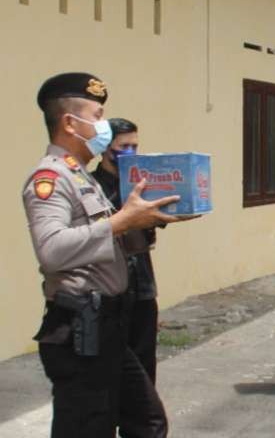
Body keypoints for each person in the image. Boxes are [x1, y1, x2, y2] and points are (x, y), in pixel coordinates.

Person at [22, 72, 195, 438]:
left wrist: (150, 221)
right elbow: (52, 250)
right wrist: (119, 223)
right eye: (97, 115)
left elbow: (107, 242)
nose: (103, 125)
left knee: (146, 420)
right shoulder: (50, 179)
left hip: (111, 324)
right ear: (71, 122)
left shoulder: (81, 176)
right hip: (81, 327)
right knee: (89, 426)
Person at [91, 117, 160, 386]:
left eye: (135, 146)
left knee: (143, 367)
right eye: (124, 146)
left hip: (142, 284)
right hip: (109, 290)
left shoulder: (142, 183)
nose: (130, 153)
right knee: (109, 368)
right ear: (105, 147)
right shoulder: (92, 185)